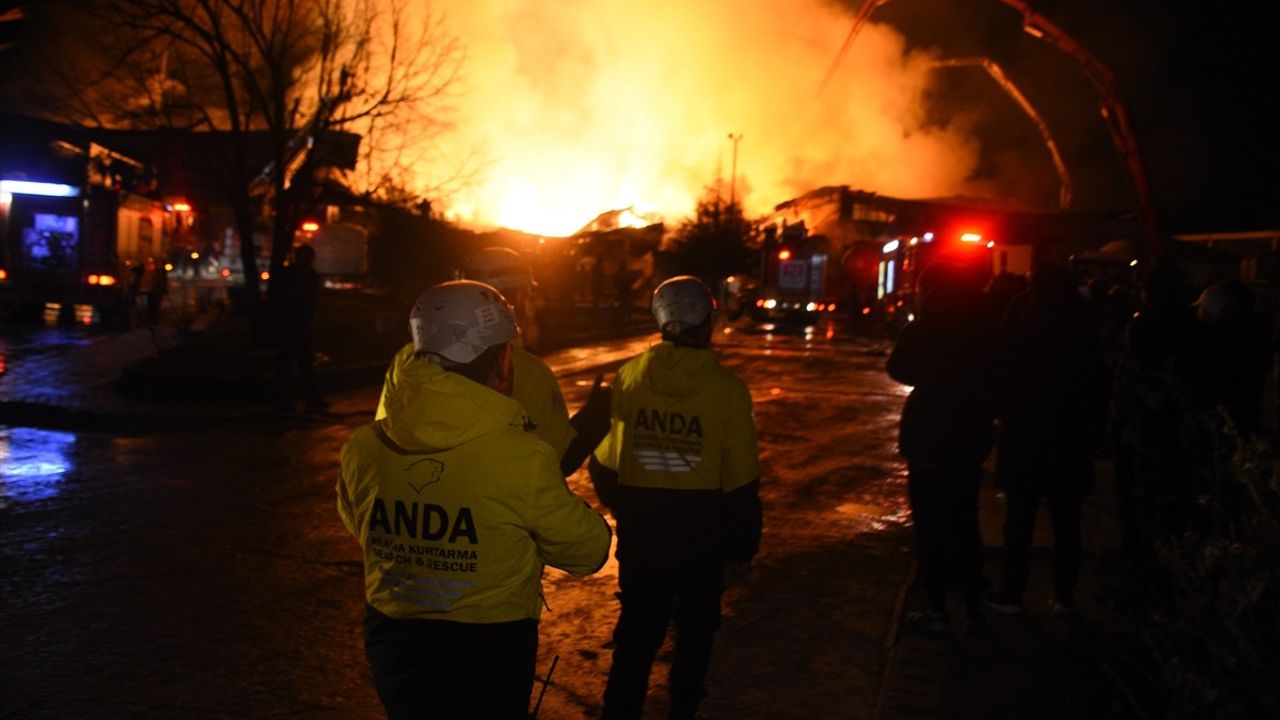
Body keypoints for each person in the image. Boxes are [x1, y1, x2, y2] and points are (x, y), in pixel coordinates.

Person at [337, 280, 612, 719]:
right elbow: (589, 550)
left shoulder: (363, 446)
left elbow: (361, 523)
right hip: (489, 643)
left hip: (394, 636)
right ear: (501, 363)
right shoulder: (521, 455)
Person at [589, 275, 762, 720]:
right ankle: (682, 709)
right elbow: (741, 479)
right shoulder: (727, 390)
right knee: (695, 634)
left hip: (644, 530)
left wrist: (623, 506)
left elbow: (606, 463)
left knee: (636, 635)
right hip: (702, 535)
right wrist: (742, 545)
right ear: (707, 321)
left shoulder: (630, 377)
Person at [376, 246, 612, 476]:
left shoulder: (407, 358)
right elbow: (556, 462)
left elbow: (388, 434)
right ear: (511, 300)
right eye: (526, 294)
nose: (528, 304)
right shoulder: (525, 369)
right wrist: (596, 417)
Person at [985, 263, 1108, 615]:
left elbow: (1002, 364)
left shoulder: (1023, 314)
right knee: (1068, 521)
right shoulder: (1083, 321)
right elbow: (1097, 382)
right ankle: (1065, 596)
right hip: (1071, 436)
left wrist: (1002, 411)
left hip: (1026, 432)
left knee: (1020, 519)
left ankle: (1013, 592)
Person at [886, 262, 996, 635]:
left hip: (928, 438)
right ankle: (974, 605)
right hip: (968, 436)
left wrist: (929, 379)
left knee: (930, 527)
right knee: (966, 522)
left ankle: (937, 609)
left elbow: (898, 368)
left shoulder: (924, 326)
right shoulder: (983, 325)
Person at [272, 244, 324, 411]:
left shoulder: (308, 275)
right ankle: (284, 399)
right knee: (288, 362)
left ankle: (308, 398)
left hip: (300, 323)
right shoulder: (294, 275)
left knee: (302, 362)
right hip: (291, 323)